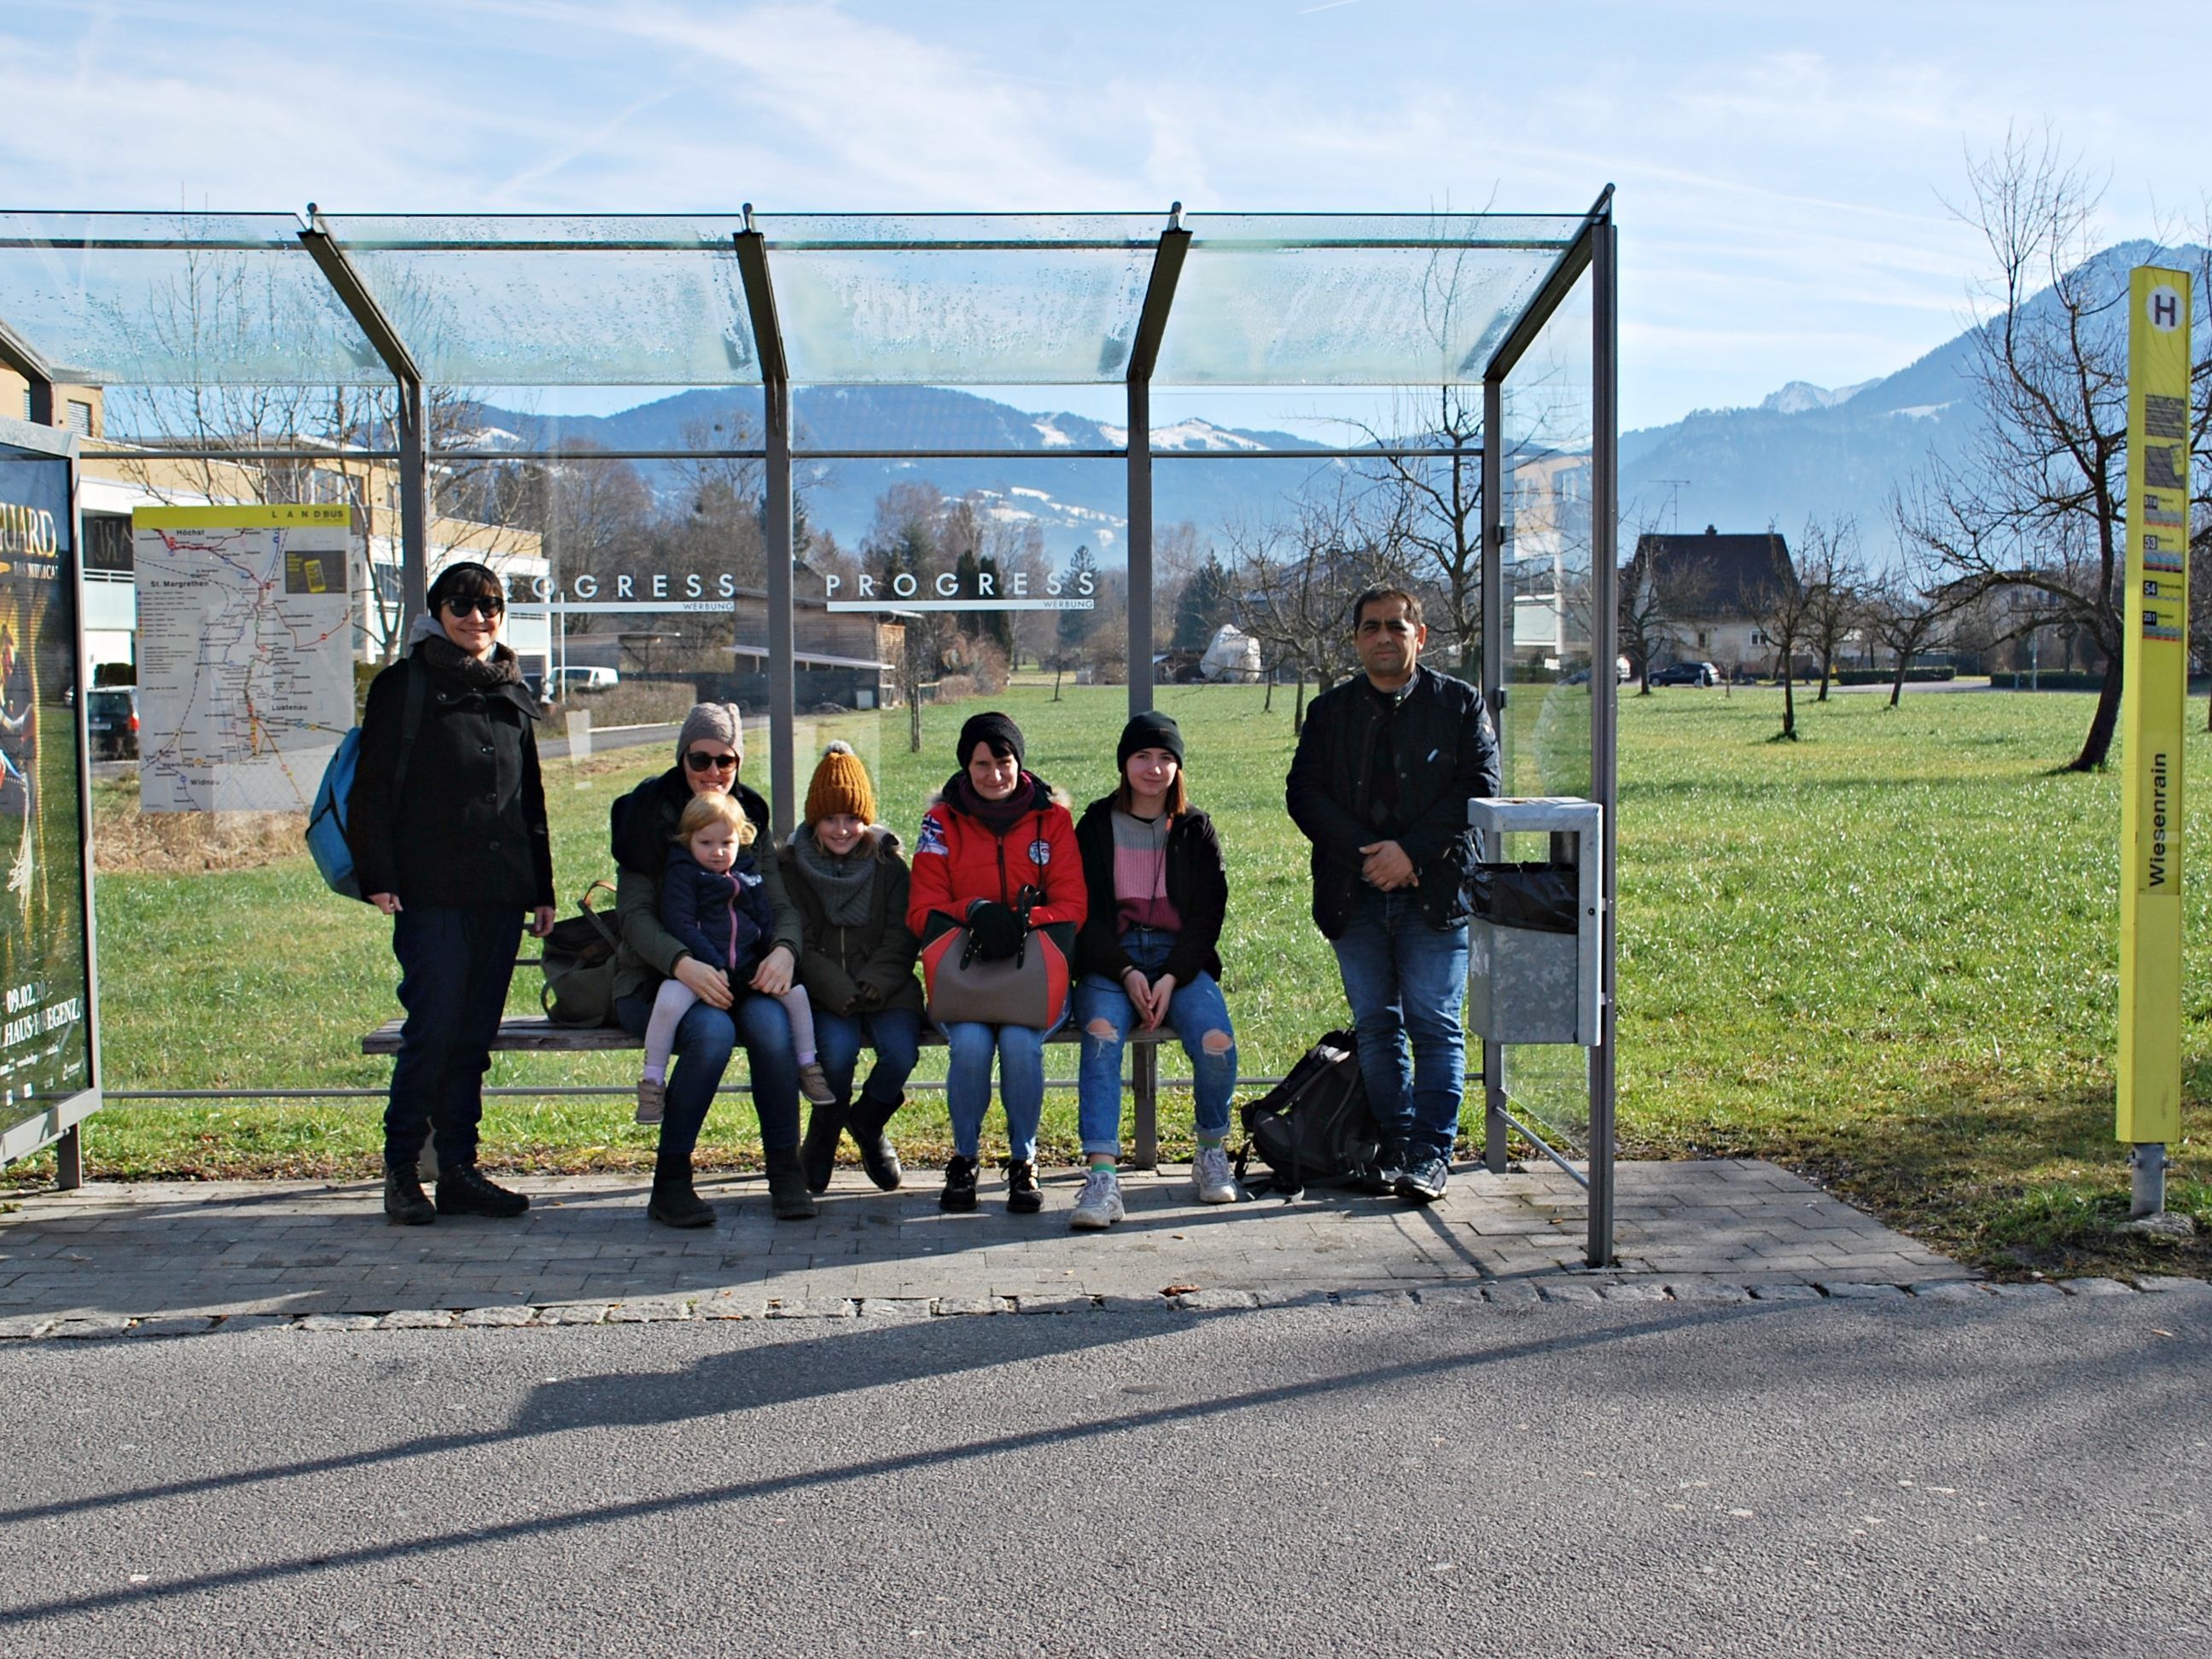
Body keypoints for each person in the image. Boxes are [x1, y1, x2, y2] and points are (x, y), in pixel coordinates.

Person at [350, 562, 555, 1226]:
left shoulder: (511, 688)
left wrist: (542, 888)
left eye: (491, 606)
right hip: (430, 895)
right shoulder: (404, 685)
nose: (478, 618)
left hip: (498, 896)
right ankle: (403, 1168)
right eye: (463, 605)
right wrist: (378, 876)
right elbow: (372, 793)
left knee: (472, 1037)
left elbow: (531, 800)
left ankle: (461, 1169)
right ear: (437, 610)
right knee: (433, 1031)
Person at [1285, 586, 1499, 1206]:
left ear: (1420, 636)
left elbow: (1479, 786)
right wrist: (1370, 855)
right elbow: (1305, 795)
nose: (1384, 637)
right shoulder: (1330, 714)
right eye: (1372, 627)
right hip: (1355, 896)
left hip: (1435, 894)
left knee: (1434, 1025)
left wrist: (1410, 853)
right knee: (1378, 1026)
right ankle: (1397, 1146)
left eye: (1396, 627)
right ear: (1356, 639)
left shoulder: (1459, 705)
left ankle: (1432, 1154)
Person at [608, 702, 812, 1228]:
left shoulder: (747, 818)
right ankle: (670, 1181)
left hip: (739, 974)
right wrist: (681, 963)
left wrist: (785, 950)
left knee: (771, 1028)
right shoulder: (645, 815)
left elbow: (781, 905)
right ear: (682, 756)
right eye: (701, 758)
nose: (713, 772)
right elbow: (633, 916)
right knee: (713, 1035)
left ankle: (786, 1171)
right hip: (659, 983)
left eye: (726, 761)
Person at [907, 711, 1085, 1214]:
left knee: (1020, 1043)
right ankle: (964, 1158)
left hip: (1033, 977)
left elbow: (1073, 906)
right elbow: (921, 909)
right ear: (966, 766)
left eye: (1003, 761)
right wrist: (975, 912)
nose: (994, 774)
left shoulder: (1054, 820)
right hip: (963, 977)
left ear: (1018, 762)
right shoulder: (939, 823)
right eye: (981, 764)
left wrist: (1022, 921)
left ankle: (1023, 1161)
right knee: (969, 1045)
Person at [1068, 711, 1237, 1231]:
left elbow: (1209, 913)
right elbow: (1082, 912)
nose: (1154, 768)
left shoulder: (1195, 828)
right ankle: (1101, 1179)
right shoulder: (1096, 824)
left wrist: (1169, 976)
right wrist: (1123, 971)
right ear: (1125, 763)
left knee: (1216, 1041)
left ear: (1178, 768)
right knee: (1100, 1036)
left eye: (1166, 758)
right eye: (1143, 756)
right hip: (1110, 960)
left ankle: (1210, 1150)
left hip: (1177, 963)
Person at [636, 790, 832, 1126]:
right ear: (689, 841)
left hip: (746, 965)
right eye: (706, 843)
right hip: (700, 967)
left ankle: (808, 1064)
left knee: (796, 995)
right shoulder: (684, 874)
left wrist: (775, 951)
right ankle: (652, 1081)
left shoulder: (747, 873)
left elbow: (764, 914)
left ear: (740, 840)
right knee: (667, 1002)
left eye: (726, 842)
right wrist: (711, 961)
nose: (717, 852)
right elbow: (679, 922)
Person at [784, 741, 923, 1193]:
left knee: (901, 1053)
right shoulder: (791, 869)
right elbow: (797, 940)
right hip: (827, 994)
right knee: (837, 1059)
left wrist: (873, 982)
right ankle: (822, 1135)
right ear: (814, 820)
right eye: (830, 819)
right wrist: (837, 988)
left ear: (866, 818)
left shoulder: (889, 867)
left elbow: (901, 936)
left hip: (887, 989)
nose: (842, 829)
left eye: (852, 818)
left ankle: (867, 1122)